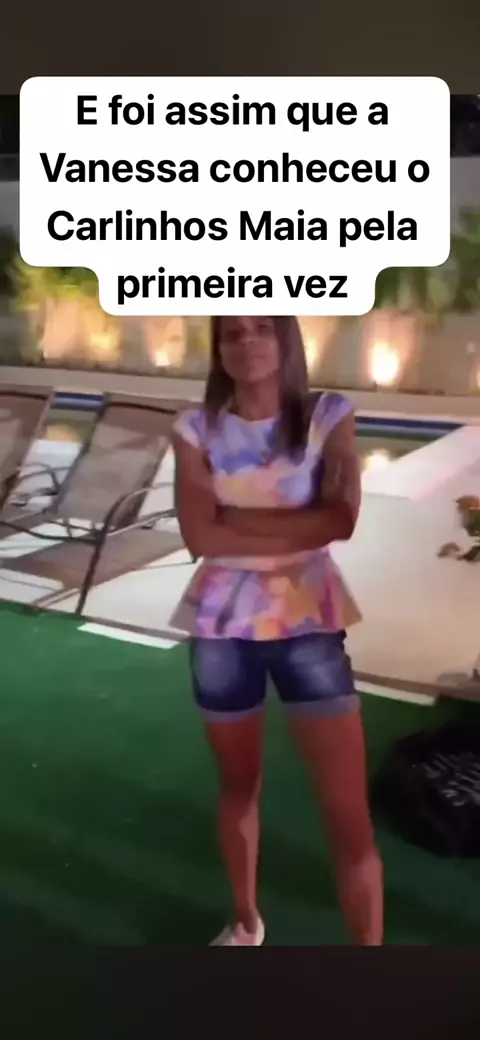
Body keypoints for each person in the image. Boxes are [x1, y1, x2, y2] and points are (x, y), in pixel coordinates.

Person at [170, 315, 383, 946]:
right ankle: (245, 923)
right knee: (238, 785)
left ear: (286, 340)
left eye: (262, 329)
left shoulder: (327, 415)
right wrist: (294, 524)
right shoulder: (194, 427)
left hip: (307, 622)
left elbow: (340, 520)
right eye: (232, 333)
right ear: (218, 348)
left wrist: (235, 519)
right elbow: (199, 535)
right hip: (221, 627)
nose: (247, 343)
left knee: (346, 808)